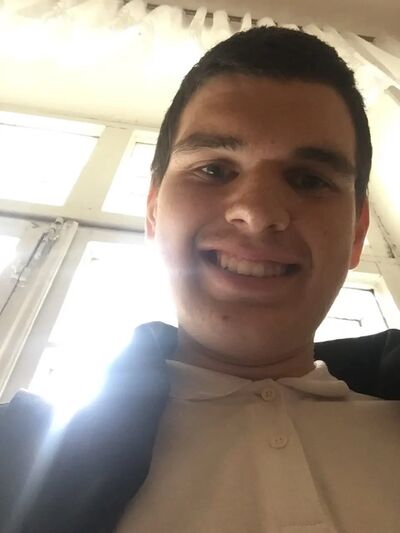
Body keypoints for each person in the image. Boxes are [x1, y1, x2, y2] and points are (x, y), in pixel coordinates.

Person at [0, 26, 400, 533]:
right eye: (213, 169)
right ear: (153, 211)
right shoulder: (14, 455)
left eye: (309, 180)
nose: (257, 213)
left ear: (357, 233)